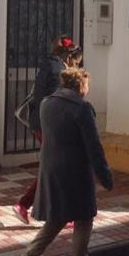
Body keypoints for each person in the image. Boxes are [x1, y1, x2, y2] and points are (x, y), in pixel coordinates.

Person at [14, 68, 113, 256]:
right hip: (76, 173)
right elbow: (94, 147)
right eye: (87, 85)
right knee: (84, 219)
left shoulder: (46, 104)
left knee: (56, 217)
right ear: (80, 86)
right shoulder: (82, 108)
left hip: (51, 169)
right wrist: (105, 176)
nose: (88, 89)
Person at [13, 36, 82, 225]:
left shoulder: (48, 66)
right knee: (57, 168)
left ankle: (27, 206)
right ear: (69, 57)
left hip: (40, 124)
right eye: (75, 62)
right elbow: (55, 101)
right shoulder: (58, 70)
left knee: (53, 167)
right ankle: (54, 212)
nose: (75, 66)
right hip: (48, 125)